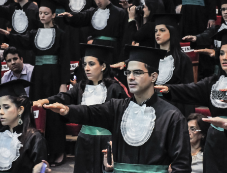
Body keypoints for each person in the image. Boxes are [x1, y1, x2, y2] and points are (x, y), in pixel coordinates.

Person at [44, 45, 192, 173]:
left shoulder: (171, 116)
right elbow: (91, 112)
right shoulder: (118, 108)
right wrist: (67, 110)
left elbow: (182, 164)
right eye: (128, 72)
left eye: (137, 72)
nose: (131, 77)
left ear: (153, 76)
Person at [155, 29, 227, 173]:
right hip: (214, 141)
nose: (224, 57)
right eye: (221, 53)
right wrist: (169, 89)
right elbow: (190, 89)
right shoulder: (213, 82)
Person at [0, 0, 70, 166]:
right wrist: (7, 35)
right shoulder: (34, 33)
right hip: (39, 75)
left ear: (53, 15)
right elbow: (22, 41)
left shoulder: (61, 34)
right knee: (38, 110)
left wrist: (63, 83)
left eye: (45, 13)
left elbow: (65, 59)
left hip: (54, 75)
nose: (42, 16)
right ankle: (41, 150)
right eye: (40, 13)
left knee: (54, 113)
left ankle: (59, 151)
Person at [33, 44, 128, 172]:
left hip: (106, 141)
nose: (86, 68)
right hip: (84, 139)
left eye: (91, 64)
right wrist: (46, 100)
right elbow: (65, 96)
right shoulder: (81, 87)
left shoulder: (114, 88)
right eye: (84, 64)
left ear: (103, 66)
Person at [0, 79, 49, 173]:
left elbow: (41, 169)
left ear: (20, 110)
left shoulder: (34, 138)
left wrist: (41, 170)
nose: (0, 112)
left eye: (6, 107)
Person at [58, 0, 127, 63]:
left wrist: (122, 58)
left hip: (112, 49)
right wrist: (71, 16)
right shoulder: (93, 12)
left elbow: (124, 37)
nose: (98, 1)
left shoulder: (120, 13)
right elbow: (81, 17)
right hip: (95, 48)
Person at [153, 13, 194, 117]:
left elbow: (188, 91)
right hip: (152, 107)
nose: (157, 34)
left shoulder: (183, 59)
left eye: (162, 30)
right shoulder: (151, 59)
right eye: (156, 31)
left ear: (171, 31)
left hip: (173, 109)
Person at [0, 0, 39, 65]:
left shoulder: (34, 10)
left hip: (29, 53)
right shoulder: (13, 8)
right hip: (15, 52)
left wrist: (9, 34)